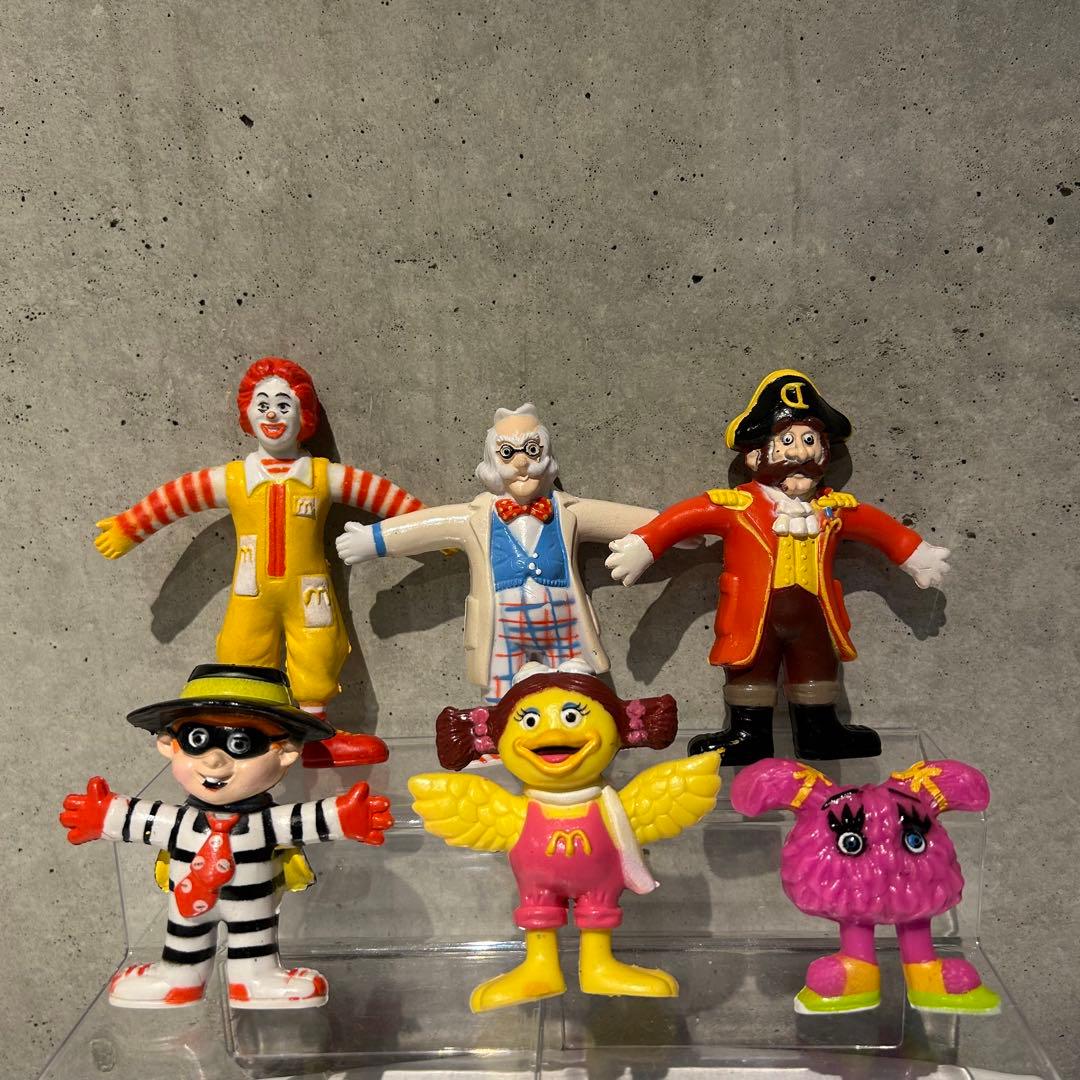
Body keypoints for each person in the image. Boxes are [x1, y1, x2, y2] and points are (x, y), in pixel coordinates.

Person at [94, 357, 425, 766]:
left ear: (304, 416)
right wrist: (130, 526)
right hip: (251, 592)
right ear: (247, 413)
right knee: (242, 656)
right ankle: (251, 737)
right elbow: (178, 497)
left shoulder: (323, 476)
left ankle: (314, 739)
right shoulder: (233, 479)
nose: (272, 414)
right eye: (262, 404)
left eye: (284, 405)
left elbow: (384, 496)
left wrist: (428, 528)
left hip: (308, 593)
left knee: (319, 655)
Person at [606, 369, 951, 763]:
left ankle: (820, 732)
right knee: (750, 667)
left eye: (810, 440)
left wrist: (915, 554)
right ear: (755, 455)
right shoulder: (738, 506)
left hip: (816, 612)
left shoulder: (832, 509)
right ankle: (747, 734)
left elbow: (877, 526)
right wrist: (645, 544)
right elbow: (687, 516)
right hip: (754, 614)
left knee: (817, 665)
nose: (801, 453)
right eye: (788, 441)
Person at [60, 664, 392, 1009]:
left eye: (241, 744)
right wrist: (102, 815)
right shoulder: (180, 821)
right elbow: (138, 819)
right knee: (184, 936)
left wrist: (346, 817)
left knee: (254, 937)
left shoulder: (265, 823)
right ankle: (178, 979)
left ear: (286, 752)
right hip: (186, 902)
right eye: (197, 740)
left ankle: (255, 979)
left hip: (252, 905)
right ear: (168, 745)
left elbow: (303, 821)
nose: (215, 760)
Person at [335, 403, 665, 704]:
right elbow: (429, 527)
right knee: (503, 695)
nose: (522, 463)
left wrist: (667, 530)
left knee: (575, 691)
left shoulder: (568, 511)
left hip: (564, 623)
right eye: (508, 453)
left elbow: (618, 518)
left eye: (532, 451)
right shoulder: (475, 516)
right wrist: (374, 539)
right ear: (493, 462)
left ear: (546, 455)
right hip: (500, 626)